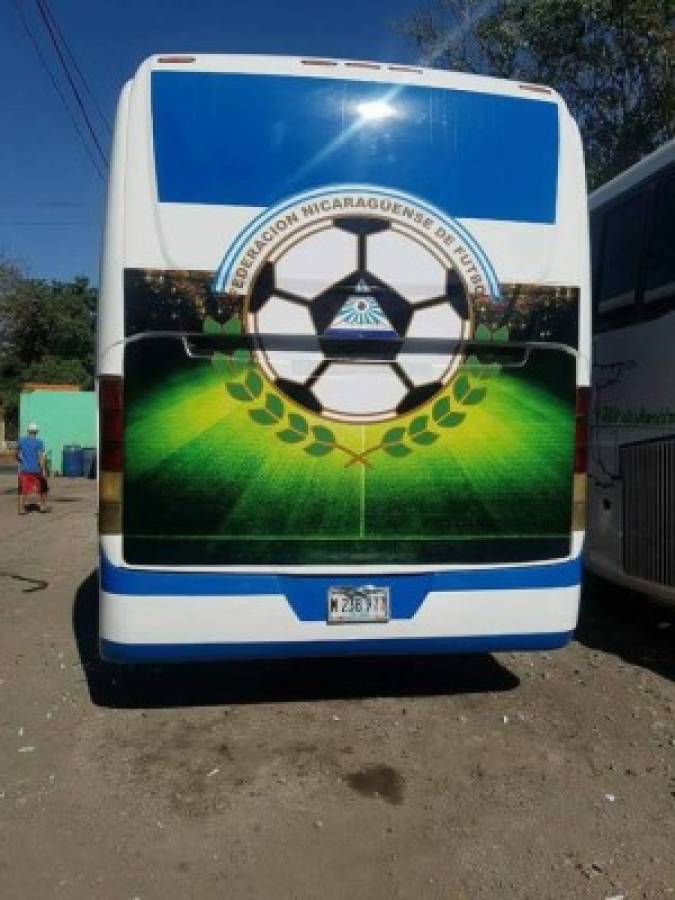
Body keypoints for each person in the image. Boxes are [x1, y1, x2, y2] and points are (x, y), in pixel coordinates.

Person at [16, 423, 48, 514]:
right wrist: (43, 470)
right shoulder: (39, 442)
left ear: (28, 431)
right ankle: (42, 507)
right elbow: (41, 457)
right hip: (36, 470)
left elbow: (17, 454)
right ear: (36, 432)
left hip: (24, 470)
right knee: (43, 488)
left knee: (23, 490)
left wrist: (20, 461)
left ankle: (22, 509)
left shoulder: (21, 441)